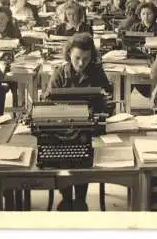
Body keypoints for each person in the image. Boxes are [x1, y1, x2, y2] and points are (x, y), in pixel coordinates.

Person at [43, 33, 113, 211]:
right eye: (77, 58)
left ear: (92, 57)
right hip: (62, 128)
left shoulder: (97, 73)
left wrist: (105, 107)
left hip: (89, 129)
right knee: (63, 155)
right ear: (69, 55)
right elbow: (46, 105)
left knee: (85, 157)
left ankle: (80, 199)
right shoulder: (59, 73)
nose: (81, 63)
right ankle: (66, 197)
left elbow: (107, 103)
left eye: (86, 59)